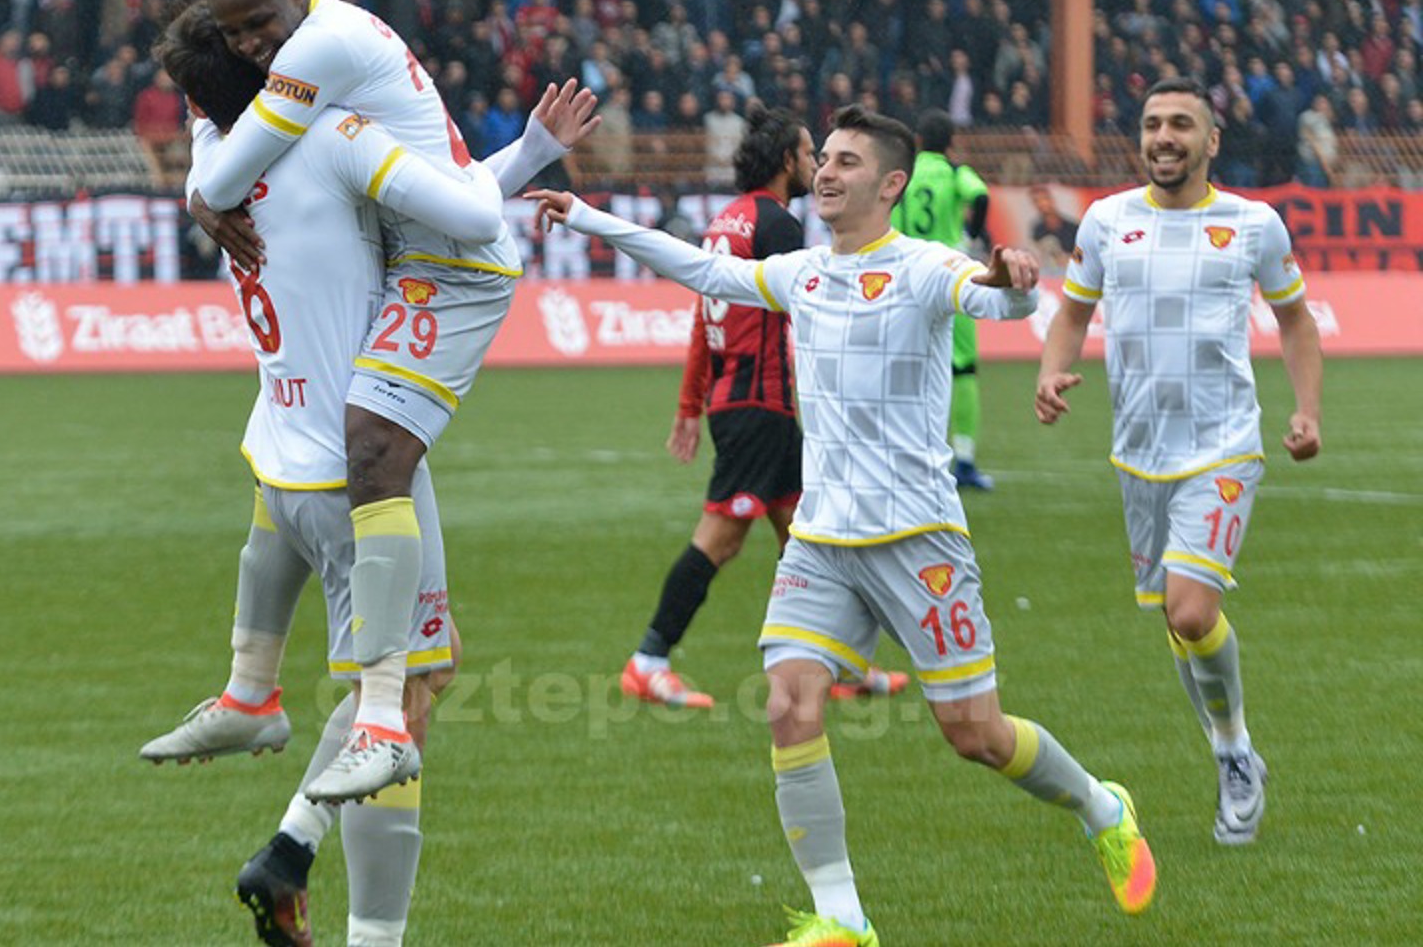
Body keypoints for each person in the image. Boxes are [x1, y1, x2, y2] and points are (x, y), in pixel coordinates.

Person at [529, 105, 1156, 944]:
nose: (824, 171)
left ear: (891, 184)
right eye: (823, 158)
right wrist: (587, 214)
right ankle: (842, 919)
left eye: (846, 162)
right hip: (822, 543)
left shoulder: (923, 267)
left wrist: (1013, 277)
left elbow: (996, 300)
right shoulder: (803, 272)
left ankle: (1102, 807)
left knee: (975, 734)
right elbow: (702, 270)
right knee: (789, 705)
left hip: (918, 541)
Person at [188, 0, 594, 805]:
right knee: (352, 478)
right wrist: (530, 152)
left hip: (454, 278)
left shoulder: (318, 73)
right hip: (421, 262)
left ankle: (352, 718)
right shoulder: (320, 109)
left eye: (258, 23)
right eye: (235, 36)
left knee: (367, 449)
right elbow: (456, 194)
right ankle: (273, 731)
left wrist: (199, 189)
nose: (254, 44)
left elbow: (471, 219)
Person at [1035, 77, 1323, 846]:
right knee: (1176, 617)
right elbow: (1072, 312)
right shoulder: (1107, 221)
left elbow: (1296, 320)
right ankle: (1234, 752)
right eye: (1153, 123)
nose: (1165, 137)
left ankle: (1233, 755)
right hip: (1139, 455)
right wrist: (1051, 371)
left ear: (1211, 141)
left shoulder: (1253, 224)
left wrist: (1306, 410)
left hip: (1224, 445)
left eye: (1182, 125)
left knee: (1192, 610)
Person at [622, 102, 906, 708]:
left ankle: (837, 664)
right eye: (809, 155)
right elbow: (813, 312)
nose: (817, 167)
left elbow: (704, 317)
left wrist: (690, 403)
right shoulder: (777, 224)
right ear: (785, 161)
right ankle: (648, 660)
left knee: (805, 532)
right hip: (760, 403)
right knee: (722, 538)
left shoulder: (727, 220)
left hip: (738, 397)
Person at [890, 109, 994, 489]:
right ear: (951, 143)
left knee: (906, 369)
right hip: (950, 275)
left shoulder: (903, 174)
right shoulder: (953, 172)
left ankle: (907, 458)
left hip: (908, 276)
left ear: (917, 142)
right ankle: (963, 461)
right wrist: (969, 238)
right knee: (962, 369)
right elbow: (980, 196)